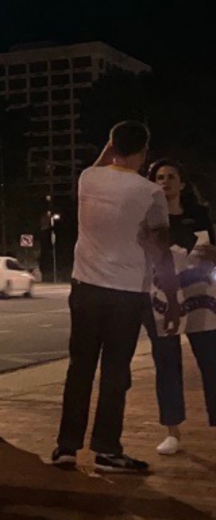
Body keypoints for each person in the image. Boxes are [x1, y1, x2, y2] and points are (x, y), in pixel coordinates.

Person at [52, 121, 180, 473]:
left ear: (111, 145)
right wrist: (169, 297)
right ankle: (107, 450)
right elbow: (159, 249)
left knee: (80, 368)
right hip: (126, 293)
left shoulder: (88, 179)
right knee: (114, 373)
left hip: (85, 289)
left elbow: (100, 163)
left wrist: (110, 143)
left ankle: (66, 446)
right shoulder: (148, 192)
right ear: (145, 151)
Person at [142, 158, 216, 455]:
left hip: (201, 298)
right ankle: (172, 430)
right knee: (167, 364)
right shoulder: (146, 217)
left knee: (211, 361)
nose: (165, 181)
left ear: (182, 184)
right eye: (159, 176)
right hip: (161, 299)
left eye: (171, 176)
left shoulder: (200, 215)